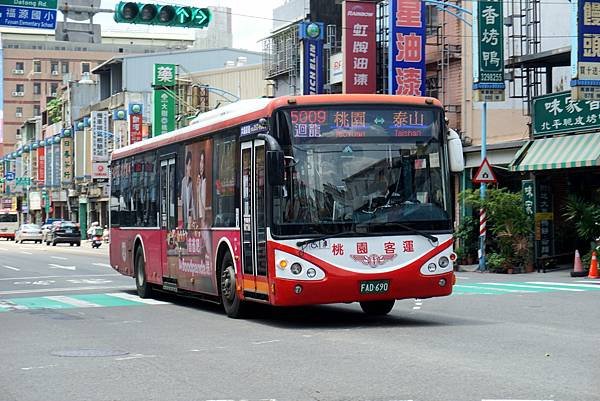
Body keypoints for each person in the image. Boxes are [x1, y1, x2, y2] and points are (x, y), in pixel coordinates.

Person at [181, 150, 196, 229]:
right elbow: (182, 202)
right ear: (186, 166)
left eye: (192, 165)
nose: (190, 168)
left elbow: (193, 203)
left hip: (191, 221)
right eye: (189, 165)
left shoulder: (192, 181)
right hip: (185, 221)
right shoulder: (183, 182)